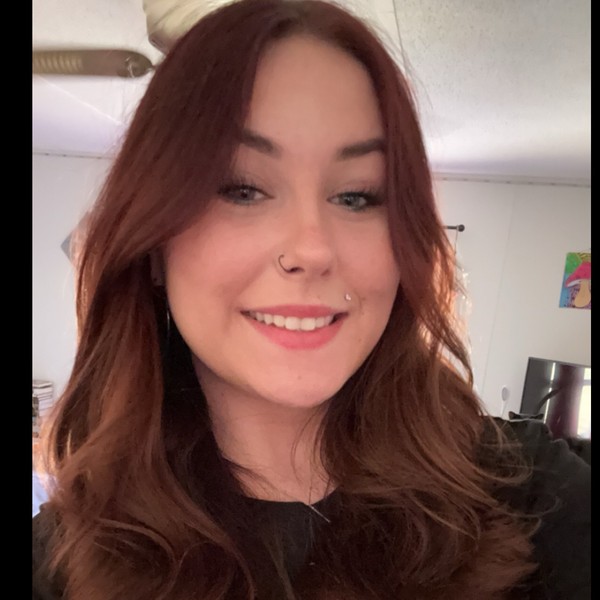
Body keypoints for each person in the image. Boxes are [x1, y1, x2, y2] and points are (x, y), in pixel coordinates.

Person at [32, 1, 590, 599]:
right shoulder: (60, 564)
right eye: (241, 189)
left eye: (356, 196)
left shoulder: (533, 494)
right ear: (153, 246)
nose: (312, 248)